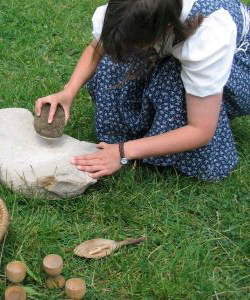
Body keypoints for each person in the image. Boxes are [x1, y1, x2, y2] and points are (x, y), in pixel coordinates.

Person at [35, 0, 250, 181]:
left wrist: (123, 152)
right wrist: (69, 91)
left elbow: (201, 130)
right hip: (165, 34)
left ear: (164, 31)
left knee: (172, 81)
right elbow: (96, 48)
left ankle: (149, 140)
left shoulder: (208, 38)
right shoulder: (126, 11)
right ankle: (143, 133)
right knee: (114, 61)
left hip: (236, 64)